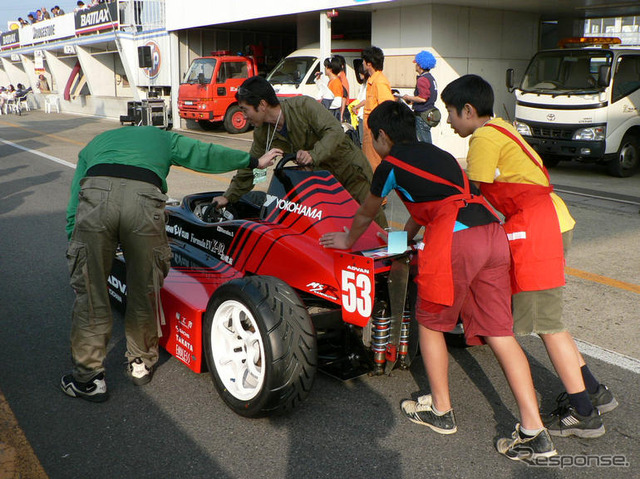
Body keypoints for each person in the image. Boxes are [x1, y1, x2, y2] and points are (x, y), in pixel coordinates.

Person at [319, 100, 557, 461]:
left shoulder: (390, 165)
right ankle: (533, 431)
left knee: (430, 322)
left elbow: (368, 209)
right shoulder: (438, 153)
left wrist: (347, 241)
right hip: (491, 233)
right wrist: (403, 237)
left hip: (455, 239)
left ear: (382, 136)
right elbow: (433, 203)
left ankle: (441, 412)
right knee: (500, 333)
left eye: (372, 137)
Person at [441, 74, 617, 439]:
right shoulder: (502, 127)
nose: (447, 121)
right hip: (552, 219)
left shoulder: (483, 139)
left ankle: (584, 413)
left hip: (538, 229)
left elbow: (470, 195)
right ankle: (594, 391)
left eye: (450, 113)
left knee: (547, 324)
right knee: (551, 319)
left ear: (468, 111)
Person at [60, 126, 282, 402]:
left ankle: (88, 379)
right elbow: (205, 154)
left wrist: (75, 242)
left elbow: (73, 201)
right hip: (143, 203)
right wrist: (252, 162)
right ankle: (140, 363)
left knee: (91, 294)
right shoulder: (164, 138)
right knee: (144, 289)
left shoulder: (96, 141)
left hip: (96, 199)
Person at [212, 75, 387, 228]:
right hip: (322, 185)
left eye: (245, 109)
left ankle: (399, 260)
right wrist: (228, 197)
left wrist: (314, 154)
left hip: (350, 173)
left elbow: (334, 131)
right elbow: (252, 167)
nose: (243, 116)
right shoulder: (262, 133)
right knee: (338, 228)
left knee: (375, 224)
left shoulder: (303, 106)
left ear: (262, 104)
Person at [361, 46, 395, 171]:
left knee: (374, 169)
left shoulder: (379, 82)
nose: (362, 64)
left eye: (363, 61)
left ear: (368, 63)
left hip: (375, 135)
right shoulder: (372, 81)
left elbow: (387, 107)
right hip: (370, 135)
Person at [402, 50, 438, 143]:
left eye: (416, 63)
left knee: (425, 144)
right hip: (429, 113)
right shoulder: (431, 78)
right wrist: (413, 101)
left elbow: (422, 98)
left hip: (422, 115)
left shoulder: (422, 79)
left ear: (420, 66)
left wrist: (408, 97)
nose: (415, 65)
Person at [315, 57, 345, 121]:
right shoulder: (332, 81)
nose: (324, 69)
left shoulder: (336, 83)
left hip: (333, 117)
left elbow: (338, 103)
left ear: (330, 69)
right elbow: (325, 92)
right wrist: (318, 80)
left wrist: (324, 103)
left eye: (326, 67)